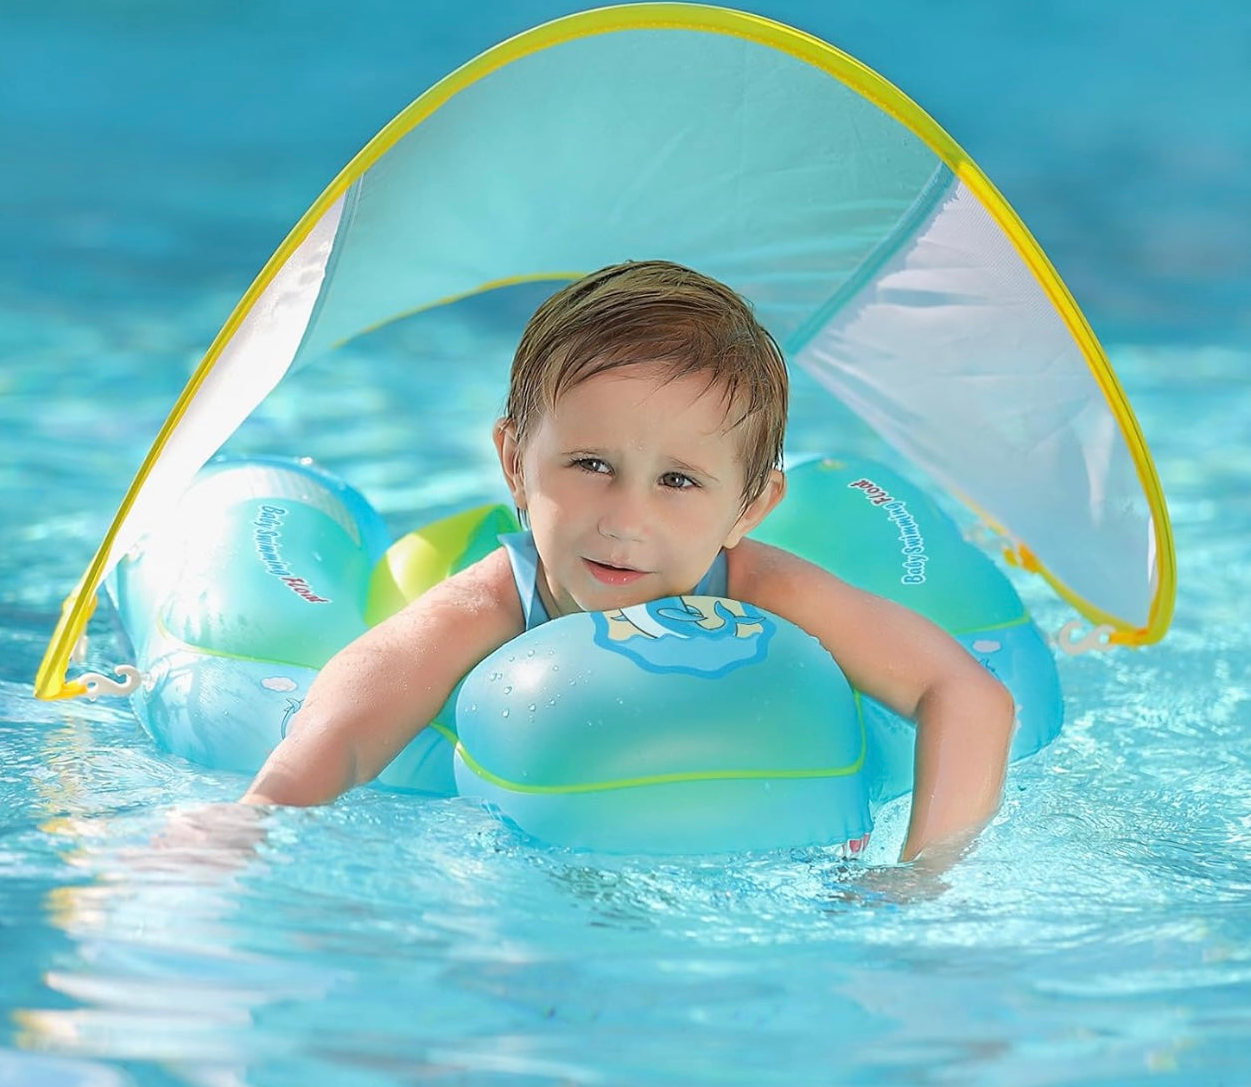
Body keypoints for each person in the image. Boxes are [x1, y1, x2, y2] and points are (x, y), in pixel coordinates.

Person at [242, 260, 1015, 863]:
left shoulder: (764, 584)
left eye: (678, 481)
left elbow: (968, 694)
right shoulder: (492, 601)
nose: (625, 519)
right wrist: (257, 817)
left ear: (748, 508)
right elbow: (354, 703)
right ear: (514, 461)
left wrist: (921, 881)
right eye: (589, 463)